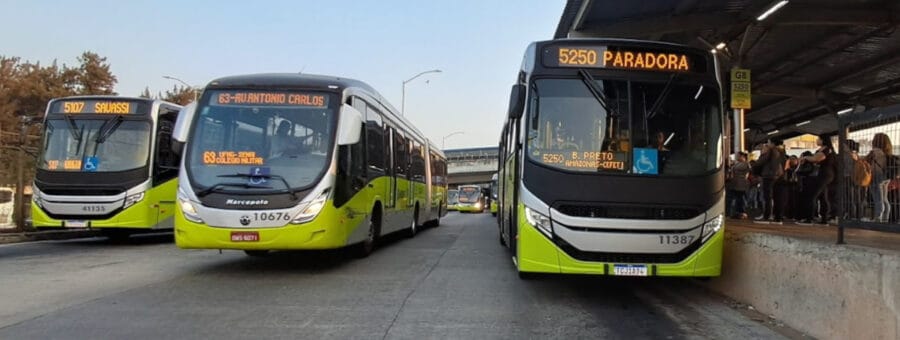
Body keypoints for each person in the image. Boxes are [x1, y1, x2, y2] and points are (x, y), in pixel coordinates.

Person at [797, 135, 837, 225]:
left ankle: (809, 218)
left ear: (823, 140)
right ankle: (824, 219)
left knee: (812, 195)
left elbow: (817, 158)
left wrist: (806, 158)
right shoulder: (822, 150)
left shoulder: (827, 150)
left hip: (824, 175)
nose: (817, 140)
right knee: (823, 196)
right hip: (823, 175)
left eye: (818, 139)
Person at [753, 139, 786, 224]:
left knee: (767, 197)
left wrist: (762, 154)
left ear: (772, 143)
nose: (767, 144)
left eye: (768, 142)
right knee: (777, 197)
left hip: (769, 175)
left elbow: (760, 162)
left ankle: (766, 217)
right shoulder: (782, 151)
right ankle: (778, 218)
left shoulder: (771, 150)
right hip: (779, 176)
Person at [865, 133, 893, 222]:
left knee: (878, 200)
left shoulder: (874, 152)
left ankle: (878, 220)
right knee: (885, 200)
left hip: (876, 177)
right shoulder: (886, 152)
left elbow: (865, 163)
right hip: (886, 177)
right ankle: (885, 220)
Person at [726, 152, 751, 219]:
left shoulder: (745, 164)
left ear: (742, 156)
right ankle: (737, 212)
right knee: (737, 198)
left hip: (740, 184)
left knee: (740, 198)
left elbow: (737, 170)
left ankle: (741, 212)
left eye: (738, 156)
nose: (736, 157)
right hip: (736, 183)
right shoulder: (737, 163)